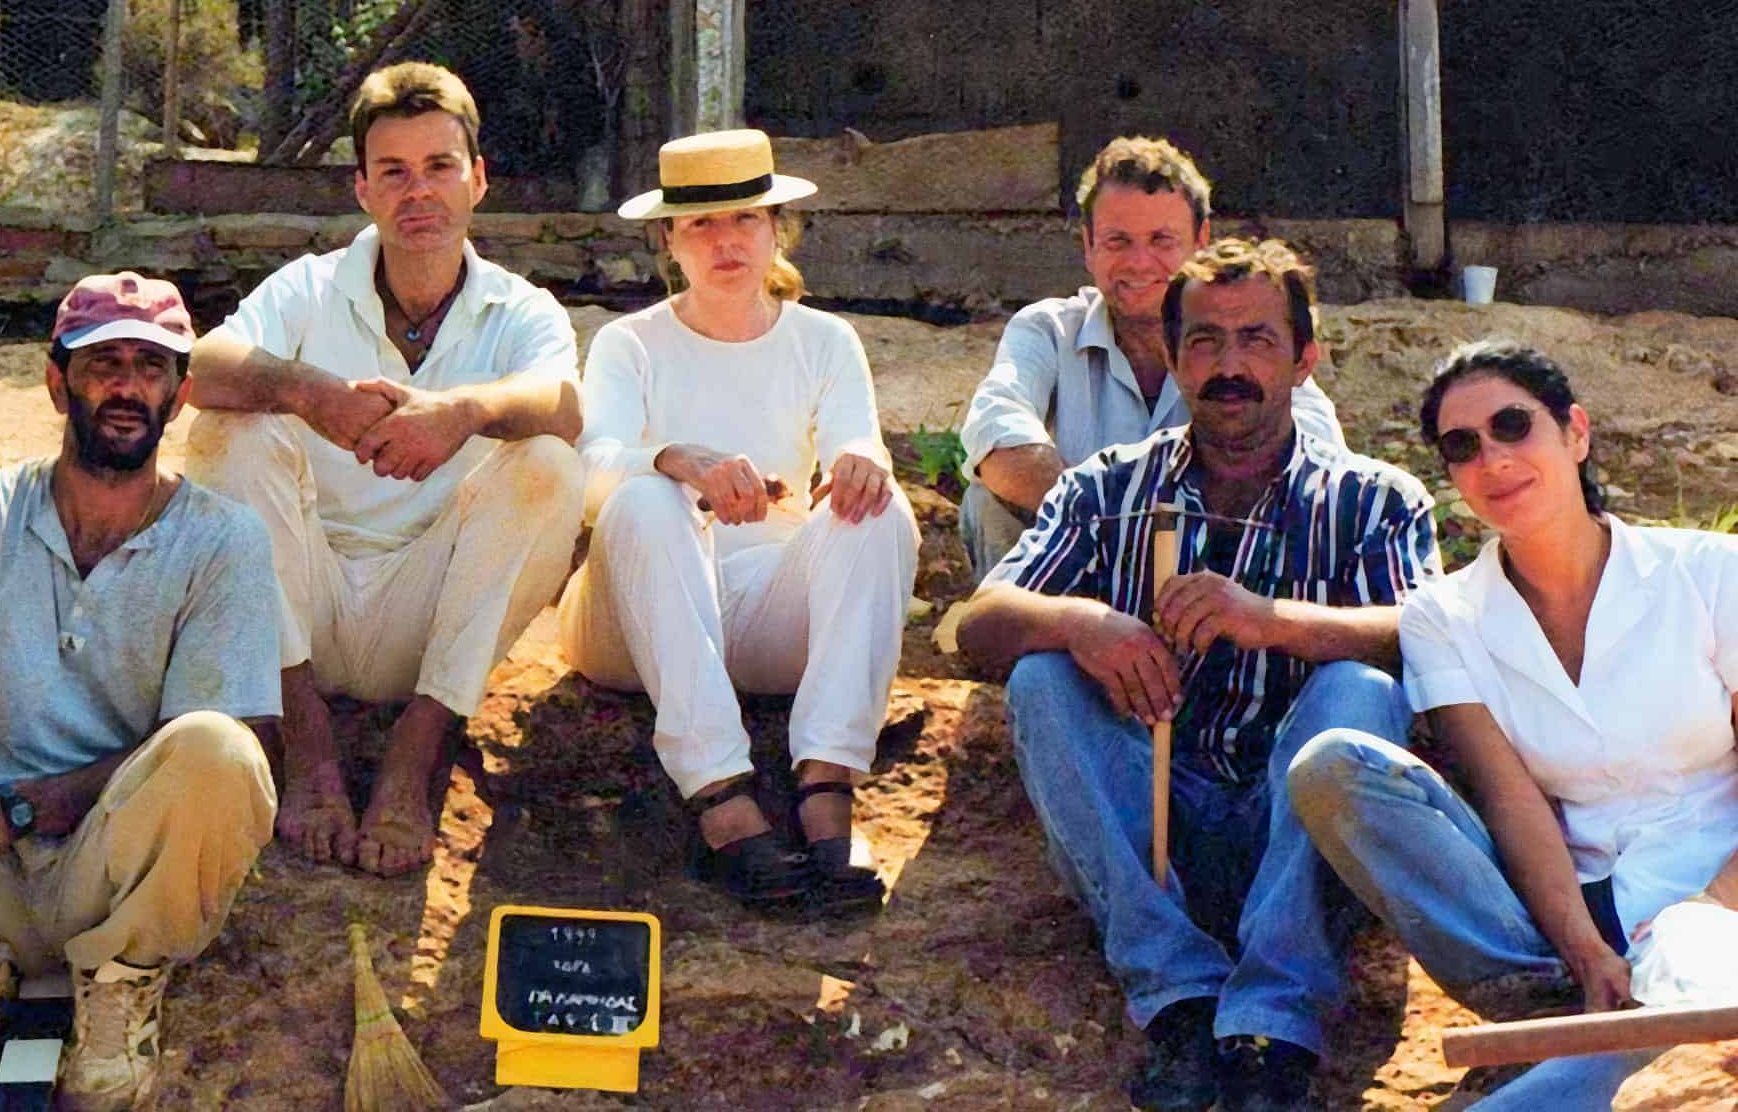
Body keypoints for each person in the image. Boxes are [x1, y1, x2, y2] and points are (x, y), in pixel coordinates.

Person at [958, 239, 1439, 1112]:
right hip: (1149, 829)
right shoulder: (1108, 489)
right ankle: (1179, 1000)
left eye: (1257, 341)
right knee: (1041, 677)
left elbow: (1429, 636)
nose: (1230, 367)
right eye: (1206, 342)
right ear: (1174, 359)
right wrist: (1081, 621)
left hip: (1301, 841)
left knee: (1361, 691)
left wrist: (1276, 622)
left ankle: (1271, 1025)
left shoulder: (1375, 499)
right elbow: (978, 629)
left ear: (1305, 359)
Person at [0, 273, 280, 1110]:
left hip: (119, 872)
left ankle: (124, 982)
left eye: (151, 366)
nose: (127, 386)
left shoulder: (223, 541)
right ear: (56, 378)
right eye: (104, 362)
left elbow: (213, 745)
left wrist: (17, 809)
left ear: (178, 397)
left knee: (221, 748)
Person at [1291, 340, 1738, 1109]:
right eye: (1462, 446)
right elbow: (1509, 798)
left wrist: (1713, 904)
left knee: (1681, 999)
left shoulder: (1710, 572)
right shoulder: (1444, 613)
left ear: (1575, 433)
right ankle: (1560, 1008)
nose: (1492, 458)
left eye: (1512, 425)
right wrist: (1585, 950)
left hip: (1713, 893)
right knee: (1331, 764)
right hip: (1550, 914)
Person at [186, 61, 584, 878]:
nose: (420, 193)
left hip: (432, 622)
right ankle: (307, 745)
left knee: (547, 462)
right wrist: (305, 390)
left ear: (478, 180)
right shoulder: (308, 288)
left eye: (440, 167)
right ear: (362, 189)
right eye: (394, 172)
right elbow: (200, 365)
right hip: (304, 612)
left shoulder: (521, 309)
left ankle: (418, 753)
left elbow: (567, 404)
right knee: (231, 432)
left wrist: (464, 412)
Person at [558, 129, 919, 911]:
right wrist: (673, 459)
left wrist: (863, 460)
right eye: (701, 225)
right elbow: (587, 474)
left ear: (775, 230)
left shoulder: (826, 340)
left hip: (763, 619)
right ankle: (719, 792)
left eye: (745, 220)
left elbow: (858, 435)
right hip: (631, 618)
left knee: (881, 513)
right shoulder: (628, 344)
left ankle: (827, 781)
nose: (726, 242)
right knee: (648, 498)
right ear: (668, 240)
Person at [957, 136, 1343, 580]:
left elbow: (1321, 463)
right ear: (1089, 246)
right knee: (988, 499)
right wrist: (1115, 530)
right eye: (1118, 241)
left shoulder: (1242, 343)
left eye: (1161, 240)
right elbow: (998, 433)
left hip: (1216, 579)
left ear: (1200, 242)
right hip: (1074, 577)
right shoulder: (1048, 330)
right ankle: (1021, 646)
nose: (1139, 263)